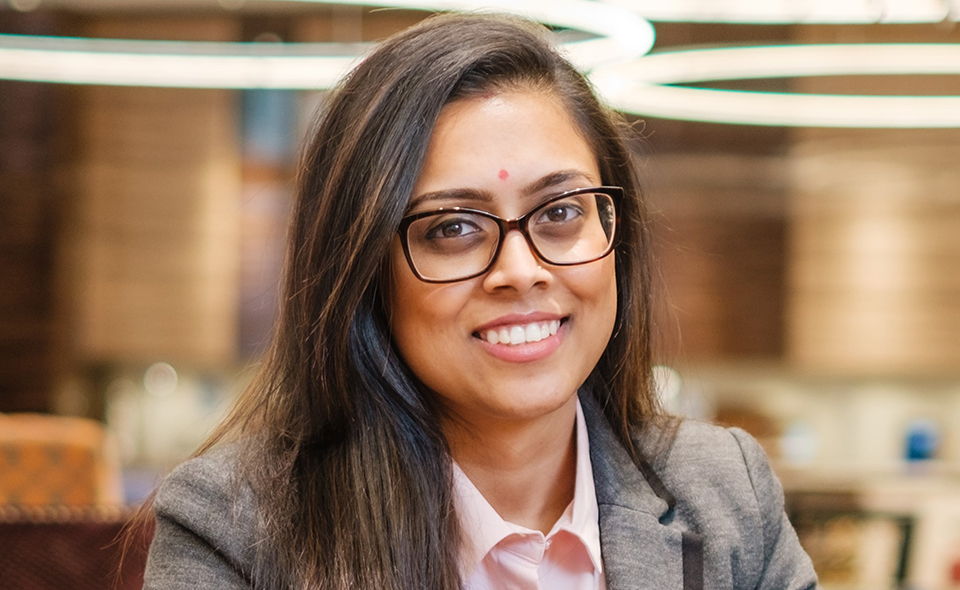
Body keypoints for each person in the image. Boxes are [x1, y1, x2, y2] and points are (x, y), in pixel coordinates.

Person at [141, 13, 818, 590]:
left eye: (560, 211)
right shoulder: (235, 529)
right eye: (452, 228)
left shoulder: (725, 494)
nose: (520, 271)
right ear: (361, 269)